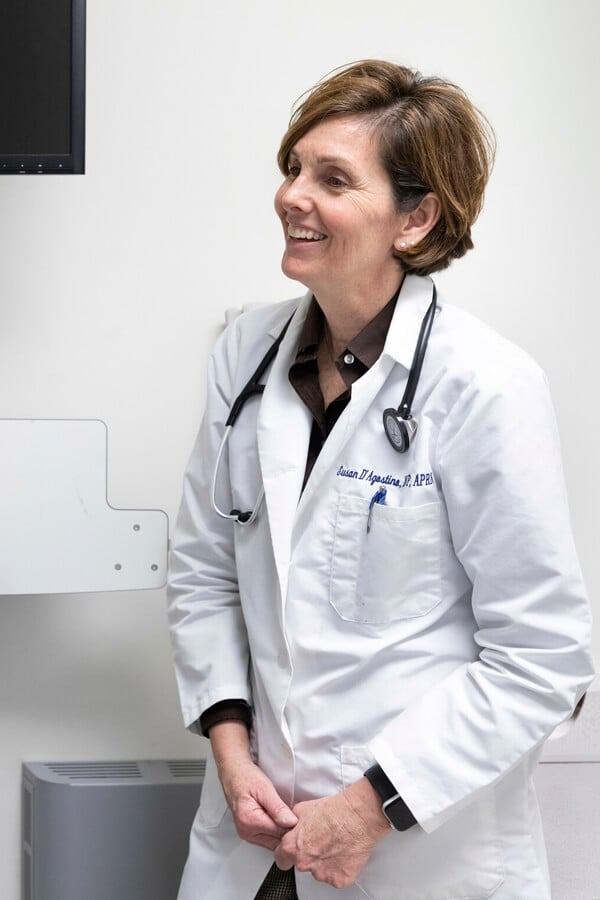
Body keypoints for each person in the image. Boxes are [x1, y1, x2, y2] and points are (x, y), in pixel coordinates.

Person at [167, 60, 594, 900]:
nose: (292, 195)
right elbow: (203, 571)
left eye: (331, 178)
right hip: (258, 832)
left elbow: (543, 659)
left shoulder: (485, 385)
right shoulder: (245, 356)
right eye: (293, 168)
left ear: (417, 217)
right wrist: (228, 743)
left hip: (421, 851)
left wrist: (369, 807)